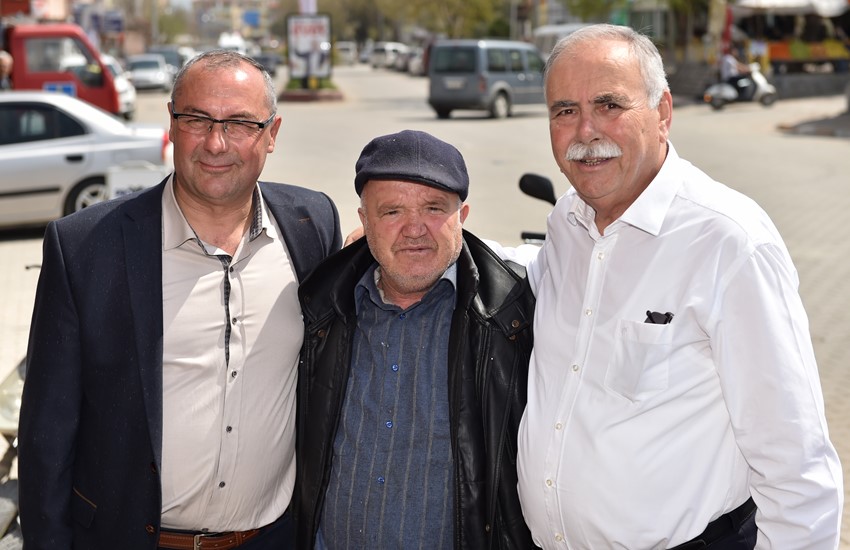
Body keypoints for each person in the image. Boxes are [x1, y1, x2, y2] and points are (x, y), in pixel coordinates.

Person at [515, 24, 843, 549]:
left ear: (663, 113)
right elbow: (532, 274)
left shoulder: (729, 244)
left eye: (609, 105)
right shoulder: (568, 223)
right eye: (564, 111)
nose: (584, 131)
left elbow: (796, 467)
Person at [18, 49, 341, 549]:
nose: (216, 143)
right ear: (171, 123)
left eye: (239, 124)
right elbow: (46, 438)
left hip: (273, 538)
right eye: (197, 119)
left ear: (272, 134)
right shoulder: (86, 247)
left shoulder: (311, 224)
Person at [294, 129, 536, 550]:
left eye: (433, 208)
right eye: (391, 212)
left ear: (462, 216)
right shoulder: (320, 309)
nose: (414, 229)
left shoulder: (513, 316)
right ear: (364, 221)